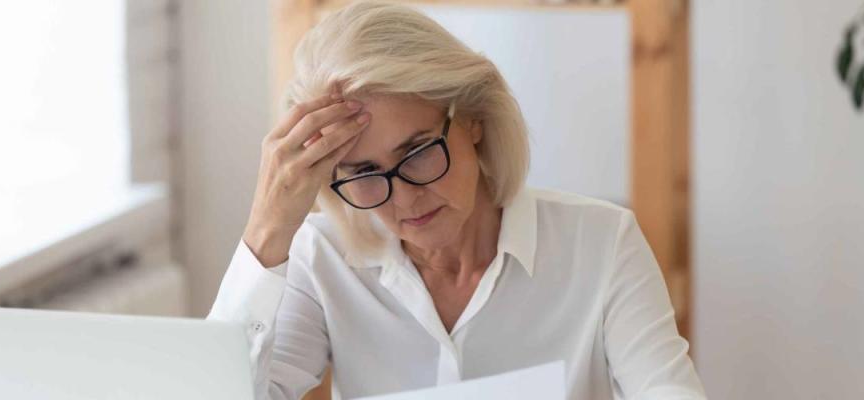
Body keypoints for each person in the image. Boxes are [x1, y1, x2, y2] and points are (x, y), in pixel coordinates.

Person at [207, 2, 707, 399]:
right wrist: (266, 229)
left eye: (419, 151)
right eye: (363, 173)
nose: (403, 196)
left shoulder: (601, 243)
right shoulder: (322, 257)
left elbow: (665, 388)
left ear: (472, 119)